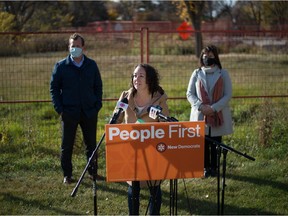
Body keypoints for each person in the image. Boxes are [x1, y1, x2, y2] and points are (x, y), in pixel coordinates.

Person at [115, 63, 169, 215]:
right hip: (131, 149)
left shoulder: (159, 99)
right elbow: (116, 120)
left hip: (153, 150)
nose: (136, 79)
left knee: (154, 187)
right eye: (134, 75)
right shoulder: (126, 96)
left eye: (141, 76)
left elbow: (165, 125)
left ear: (149, 80)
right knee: (134, 187)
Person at [50, 33, 103, 184]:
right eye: (72, 46)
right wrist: (60, 109)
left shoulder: (91, 65)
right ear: (69, 47)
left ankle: (93, 173)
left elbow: (98, 86)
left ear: (83, 47)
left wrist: (97, 105)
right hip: (69, 112)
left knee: (91, 145)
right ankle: (67, 175)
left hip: (89, 111)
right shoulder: (61, 66)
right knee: (67, 146)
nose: (75, 49)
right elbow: (54, 89)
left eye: (78, 46)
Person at [186, 45, 233, 178]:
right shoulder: (196, 73)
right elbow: (190, 94)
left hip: (218, 114)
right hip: (201, 114)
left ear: (216, 57)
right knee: (204, 142)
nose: (208, 58)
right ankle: (206, 168)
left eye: (211, 56)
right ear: (202, 57)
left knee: (216, 142)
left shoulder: (223, 74)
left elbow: (228, 94)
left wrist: (213, 108)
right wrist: (201, 106)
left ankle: (215, 167)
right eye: (205, 56)